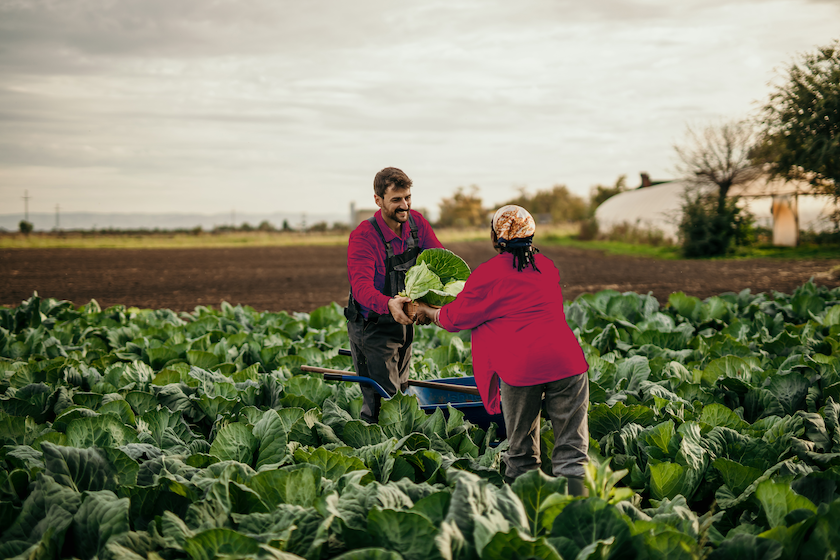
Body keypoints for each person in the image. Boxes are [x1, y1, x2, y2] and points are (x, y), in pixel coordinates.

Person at [415, 205, 590, 495]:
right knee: (573, 454)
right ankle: (580, 520)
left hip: (522, 367)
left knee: (521, 455)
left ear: (497, 239)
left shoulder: (490, 273)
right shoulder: (546, 266)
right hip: (568, 364)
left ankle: (524, 519)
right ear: (531, 235)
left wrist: (428, 311)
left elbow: (456, 318)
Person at [345, 167, 444, 423]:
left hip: (404, 324)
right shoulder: (364, 237)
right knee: (384, 406)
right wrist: (389, 304)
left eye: (408, 197)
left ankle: (400, 452)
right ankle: (373, 455)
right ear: (378, 201)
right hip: (373, 329)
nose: (405, 205)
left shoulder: (416, 224)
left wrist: (435, 301)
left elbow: (439, 260)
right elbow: (362, 288)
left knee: (400, 396)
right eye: (396, 200)